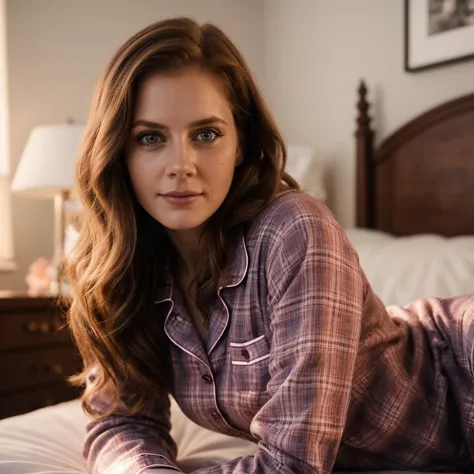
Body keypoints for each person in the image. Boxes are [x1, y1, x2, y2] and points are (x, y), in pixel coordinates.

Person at [67, 17, 474, 474]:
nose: (181, 165)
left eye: (206, 134)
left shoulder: (294, 230)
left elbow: (292, 464)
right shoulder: (127, 266)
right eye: (150, 138)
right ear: (118, 151)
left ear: (240, 143)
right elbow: (120, 422)